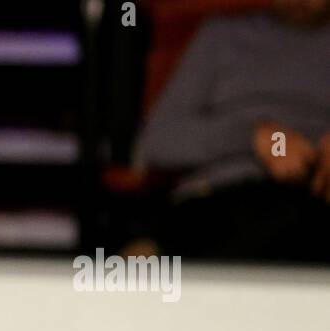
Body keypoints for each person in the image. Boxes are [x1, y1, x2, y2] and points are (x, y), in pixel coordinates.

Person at [134, 0, 330, 260]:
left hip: (314, 202)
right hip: (221, 200)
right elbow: (157, 142)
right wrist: (254, 138)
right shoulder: (221, 36)